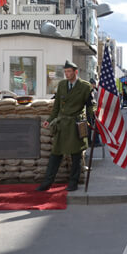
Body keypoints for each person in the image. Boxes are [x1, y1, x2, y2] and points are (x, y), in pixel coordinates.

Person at [38, 60, 94, 192]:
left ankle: (73, 182)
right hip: (62, 124)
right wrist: (50, 119)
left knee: (76, 156)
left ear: (76, 72)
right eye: (65, 72)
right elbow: (56, 105)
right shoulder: (62, 85)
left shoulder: (85, 87)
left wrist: (95, 119)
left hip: (76, 124)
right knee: (55, 154)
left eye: (69, 72)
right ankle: (47, 183)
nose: (67, 74)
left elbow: (90, 105)